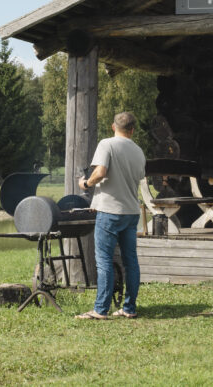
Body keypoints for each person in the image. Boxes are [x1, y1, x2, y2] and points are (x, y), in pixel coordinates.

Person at [75, 111, 146, 320]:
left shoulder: (107, 144)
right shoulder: (139, 151)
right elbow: (139, 176)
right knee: (131, 261)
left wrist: (85, 183)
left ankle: (100, 309)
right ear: (132, 130)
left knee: (104, 260)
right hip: (131, 212)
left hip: (110, 211)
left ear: (113, 127)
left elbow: (101, 172)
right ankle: (129, 308)